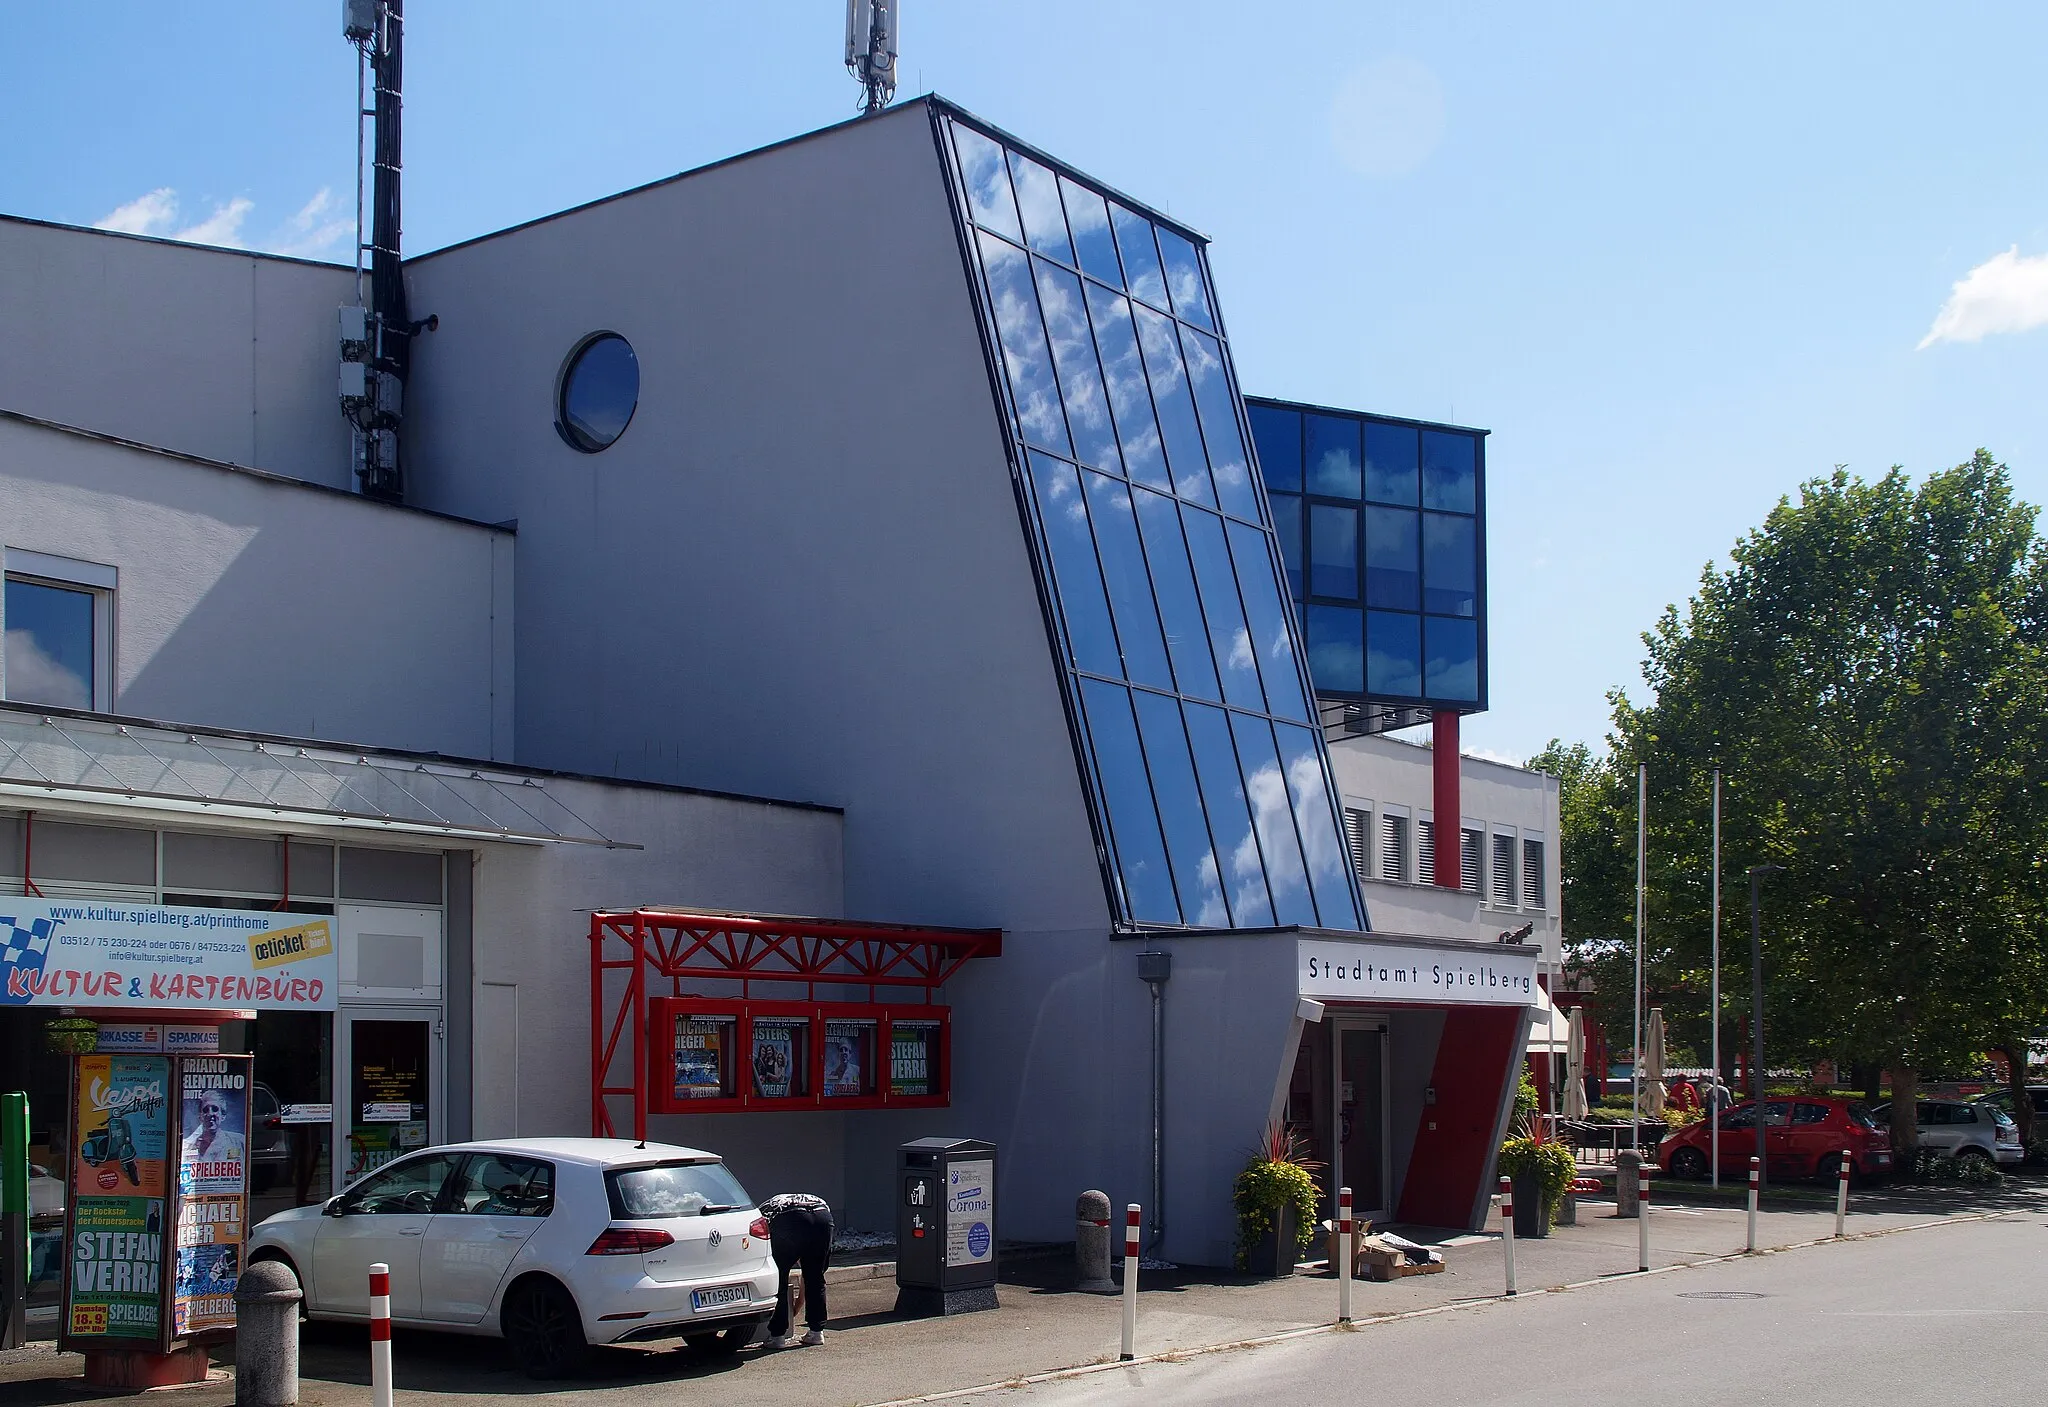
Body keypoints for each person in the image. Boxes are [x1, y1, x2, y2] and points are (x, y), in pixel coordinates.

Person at [759, 1191, 833, 1348]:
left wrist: (793, 1310)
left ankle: (777, 1336)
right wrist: (794, 1309)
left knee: (778, 1277)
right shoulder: (767, 1212)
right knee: (816, 1277)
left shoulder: (762, 1216)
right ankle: (816, 1333)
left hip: (787, 1218)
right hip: (822, 1216)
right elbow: (807, 1279)